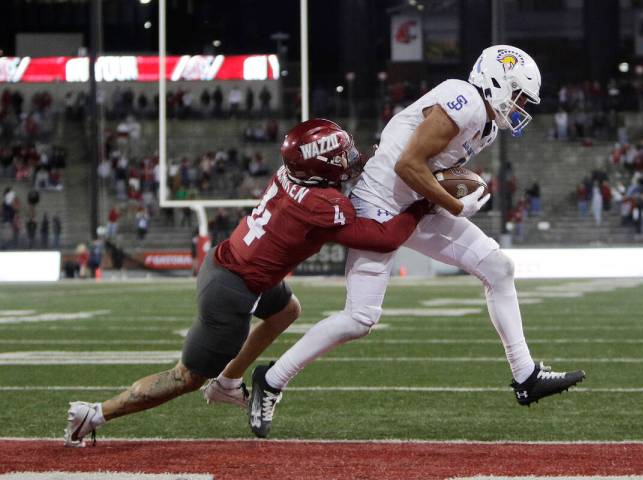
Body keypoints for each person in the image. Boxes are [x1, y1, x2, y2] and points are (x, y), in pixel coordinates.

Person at [248, 45, 585, 438]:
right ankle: (271, 380)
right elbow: (407, 164)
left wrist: (443, 197)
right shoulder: (466, 102)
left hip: (413, 203)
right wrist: (454, 205)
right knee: (360, 318)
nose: (521, 105)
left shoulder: (486, 123)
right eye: (519, 95)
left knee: (498, 267)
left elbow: (428, 166)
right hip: (377, 205)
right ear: (497, 82)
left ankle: (525, 376)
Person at [63, 118, 430, 447]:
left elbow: (339, 174)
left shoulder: (294, 174)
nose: (350, 158)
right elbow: (383, 238)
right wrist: (422, 202)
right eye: (342, 155)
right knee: (185, 378)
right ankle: (94, 413)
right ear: (321, 168)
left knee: (287, 310)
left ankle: (227, 383)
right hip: (232, 291)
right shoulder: (321, 205)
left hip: (233, 264)